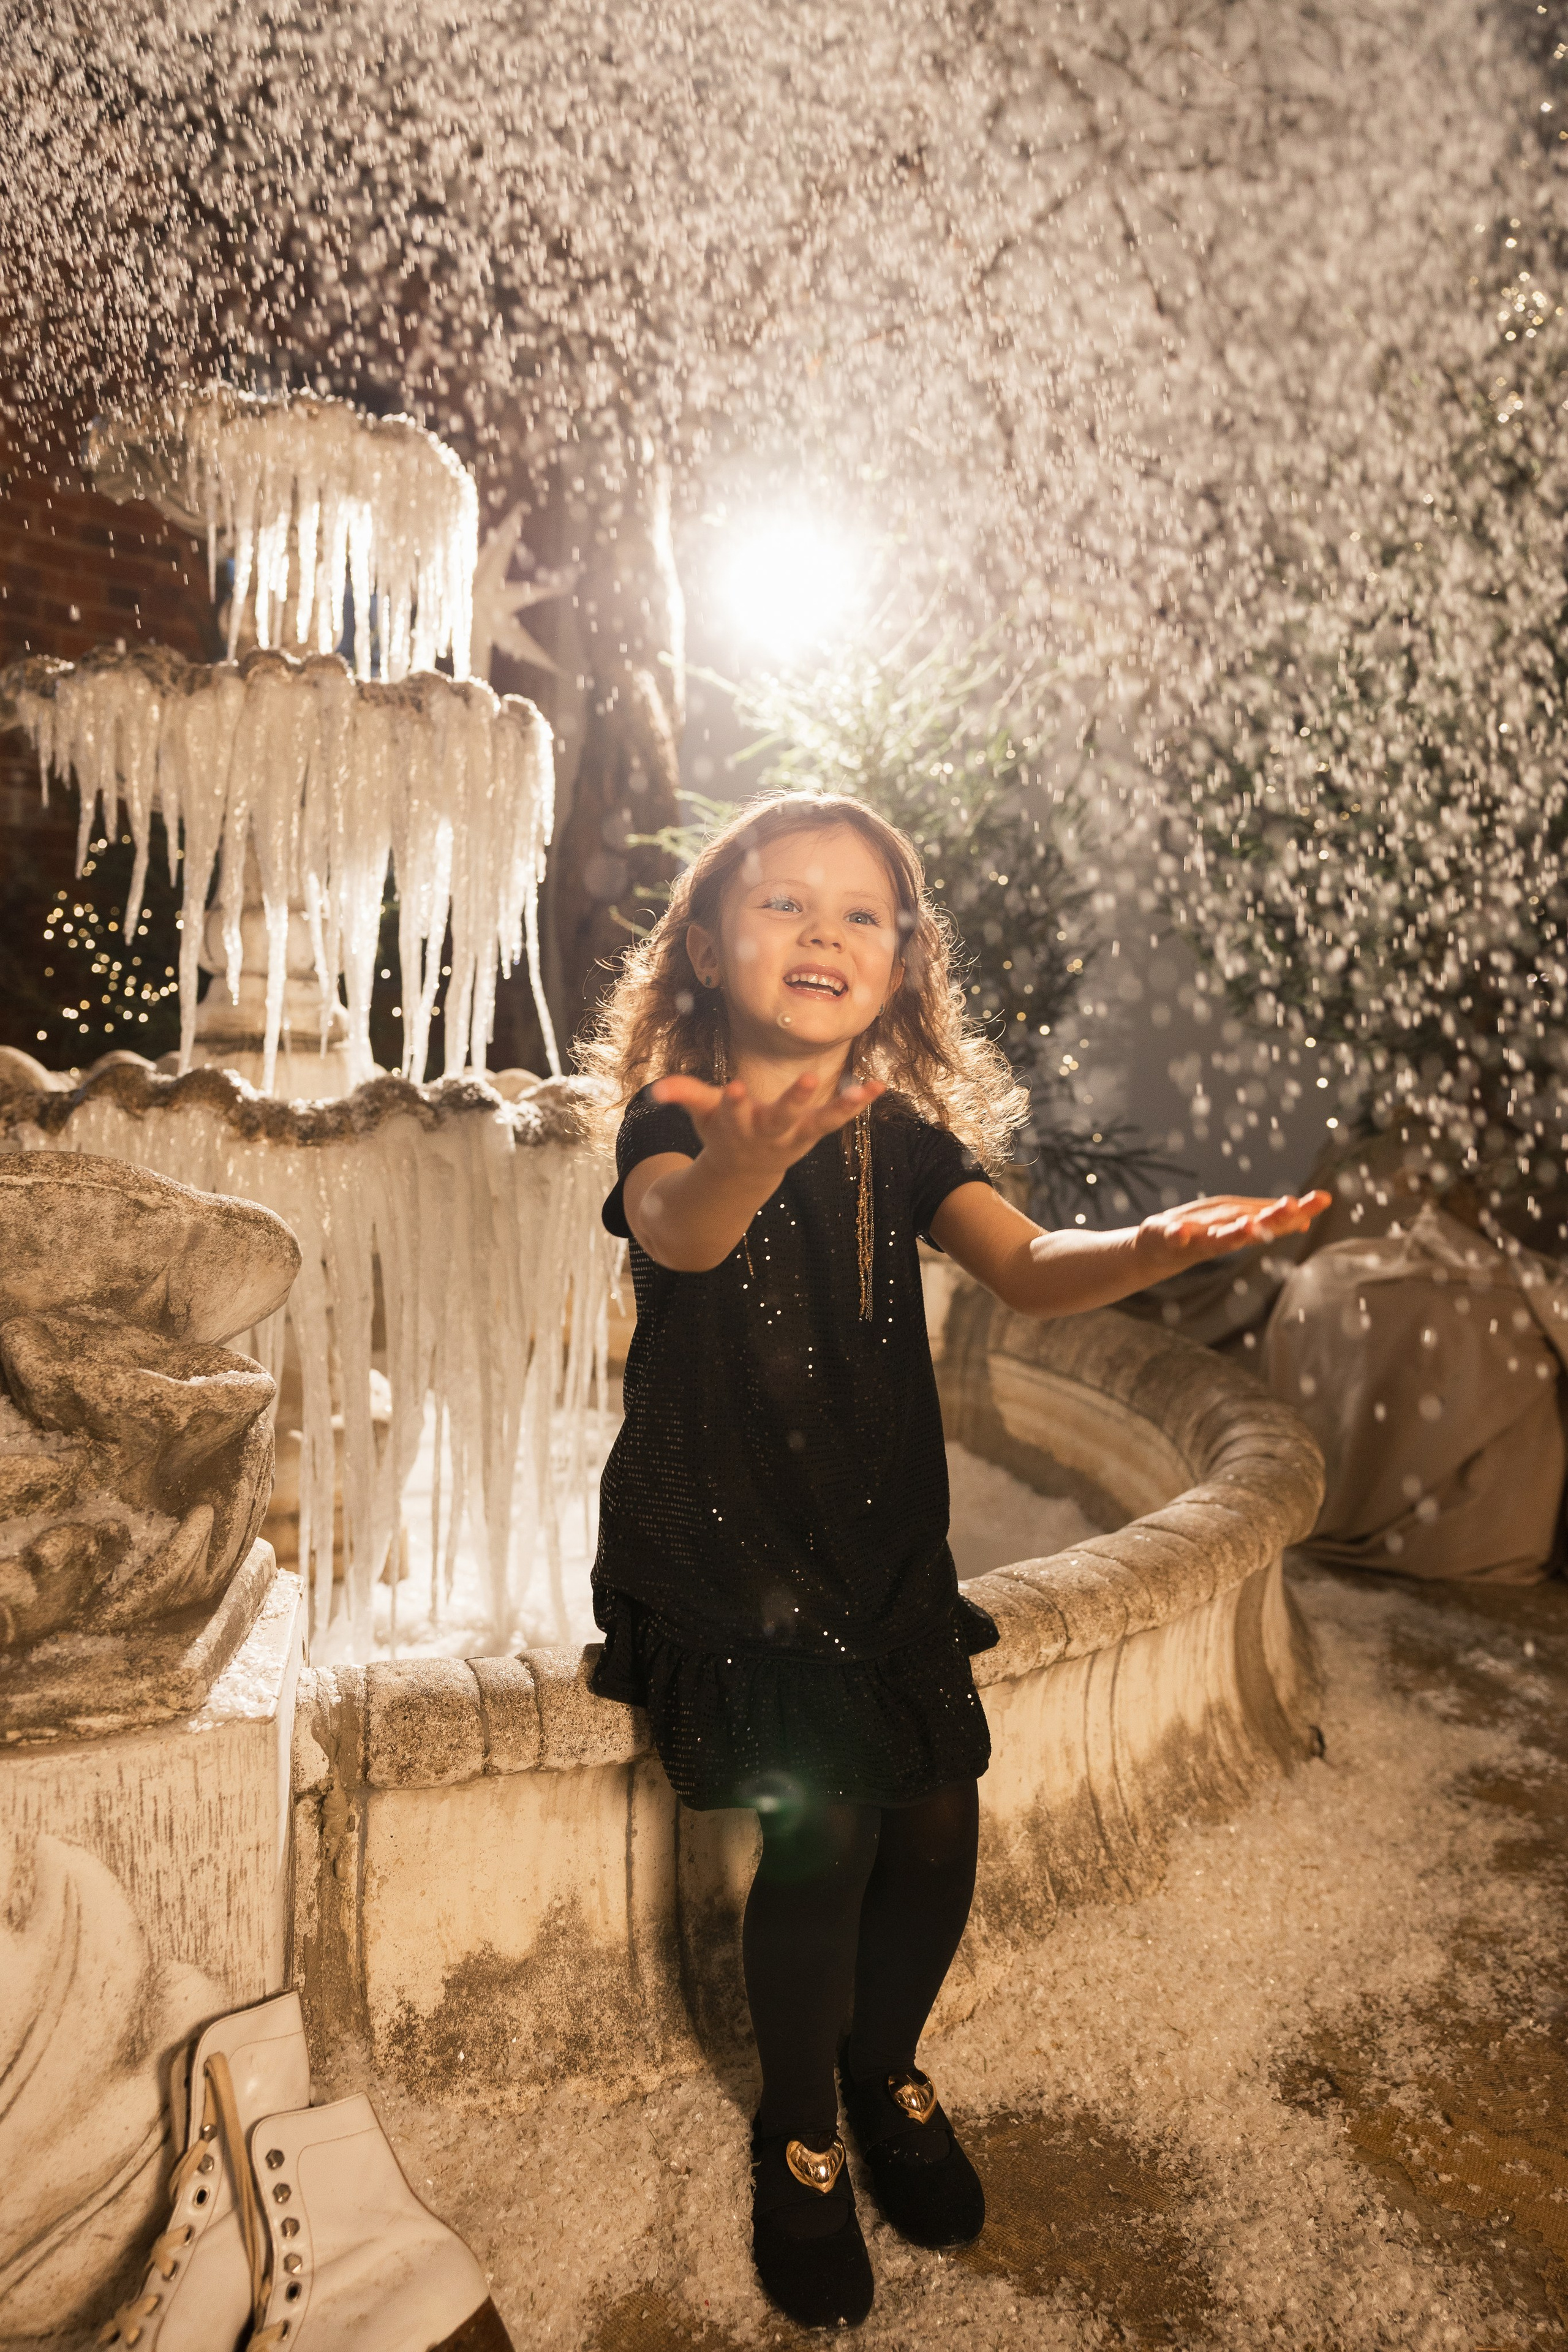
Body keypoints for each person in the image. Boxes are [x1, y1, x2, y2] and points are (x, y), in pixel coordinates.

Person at [581, 791, 1327, 2329]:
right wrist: (741, 1158)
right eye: (784, 905)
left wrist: (1152, 1248)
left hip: (873, 1541)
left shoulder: (900, 1138)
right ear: (709, 949)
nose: (823, 933)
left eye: (860, 915)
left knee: (932, 1831)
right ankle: (795, 2134)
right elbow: (678, 1231)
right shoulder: (681, 1110)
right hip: (725, 1545)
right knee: (825, 1839)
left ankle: (883, 2070)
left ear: (898, 967)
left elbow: (1031, 1269)